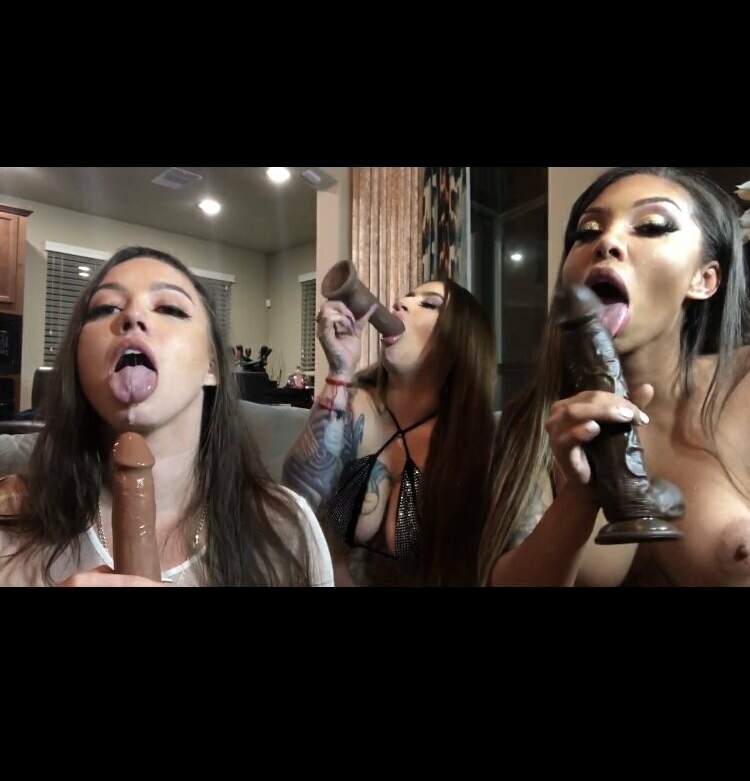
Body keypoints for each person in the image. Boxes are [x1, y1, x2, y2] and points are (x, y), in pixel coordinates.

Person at [0, 246, 333, 587]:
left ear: (212, 366)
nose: (132, 315)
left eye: (170, 308)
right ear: (77, 359)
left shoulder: (286, 528)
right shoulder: (7, 520)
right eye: (106, 308)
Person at [480, 167, 750, 587]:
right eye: (587, 232)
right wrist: (579, 497)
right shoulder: (531, 426)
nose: (605, 242)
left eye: (652, 226)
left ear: (704, 279)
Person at [282, 277, 497, 586]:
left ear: (460, 341)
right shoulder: (352, 403)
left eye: (428, 304)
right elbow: (294, 503)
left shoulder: (473, 440)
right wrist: (340, 372)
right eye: (406, 296)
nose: (400, 302)